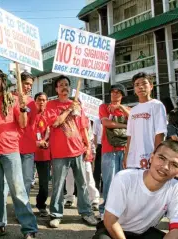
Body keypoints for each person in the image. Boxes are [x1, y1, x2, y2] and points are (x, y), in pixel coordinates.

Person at [0, 68, 38, 239]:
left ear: (3, 81)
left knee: (18, 189)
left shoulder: (15, 100)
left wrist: (24, 109)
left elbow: (23, 124)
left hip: (10, 151)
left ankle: (29, 228)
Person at [92, 140, 178, 239]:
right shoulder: (125, 178)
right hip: (113, 230)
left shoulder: (176, 188)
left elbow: (177, 229)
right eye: (161, 158)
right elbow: (110, 220)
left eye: (174, 164)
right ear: (151, 158)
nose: (165, 167)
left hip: (144, 233)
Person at [45, 75, 98, 228]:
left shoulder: (77, 105)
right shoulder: (51, 105)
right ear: (56, 89)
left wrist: (87, 147)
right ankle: (56, 214)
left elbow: (83, 128)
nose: (64, 87)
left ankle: (86, 213)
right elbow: (55, 123)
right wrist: (69, 109)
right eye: (61, 85)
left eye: (67, 84)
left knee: (82, 185)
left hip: (78, 151)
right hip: (60, 153)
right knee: (58, 185)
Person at [124, 72, 167, 169]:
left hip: (150, 158)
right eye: (137, 85)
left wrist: (156, 155)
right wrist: (126, 156)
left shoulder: (157, 105)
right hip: (133, 160)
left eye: (144, 83)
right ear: (134, 89)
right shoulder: (133, 110)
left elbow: (160, 133)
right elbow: (130, 136)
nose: (140, 87)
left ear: (151, 86)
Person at [98, 84, 130, 218]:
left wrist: (121, 108)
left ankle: (120, 210)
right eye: (112, 92)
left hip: (125, 150)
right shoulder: (104, 107)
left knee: (123, 183)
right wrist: (125, 125)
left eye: (118, 92)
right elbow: (106, 124)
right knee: (109, 181)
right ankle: (105, 210)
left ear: (122, 95)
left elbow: (134, 121)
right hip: (108, 150)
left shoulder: (128, 109)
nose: (115, 94)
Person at [18, 71, 37, 196]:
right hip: (13, 146)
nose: (29, 87)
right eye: (26, 84)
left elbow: (33, 124)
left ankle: (24, 206)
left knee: (27, 180)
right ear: (19, 83)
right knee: (12, 181)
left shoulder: (32, 102)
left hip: (28, 147)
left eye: (30, 84)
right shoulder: (9, 99)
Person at [33, 92, 51, 217]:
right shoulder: (29, 114)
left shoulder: (49, 115)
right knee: (26, 183)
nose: (42, 102)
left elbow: (52, 130)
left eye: (44, 100)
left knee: (44, 185)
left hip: (44, 154)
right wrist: (37, 142)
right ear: (35, 101)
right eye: (39, 99)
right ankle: (24, 208)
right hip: (29, 153)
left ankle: (41, 205)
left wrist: (45, 140)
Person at [92, 117, 103, 192]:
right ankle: (96, 188)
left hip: (108, 146)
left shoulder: (111, 118)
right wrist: (95, 149)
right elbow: (94, 135)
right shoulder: (97, 121)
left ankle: (104, 187)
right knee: (97, 169)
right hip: (99, 146)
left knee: (106, 169)